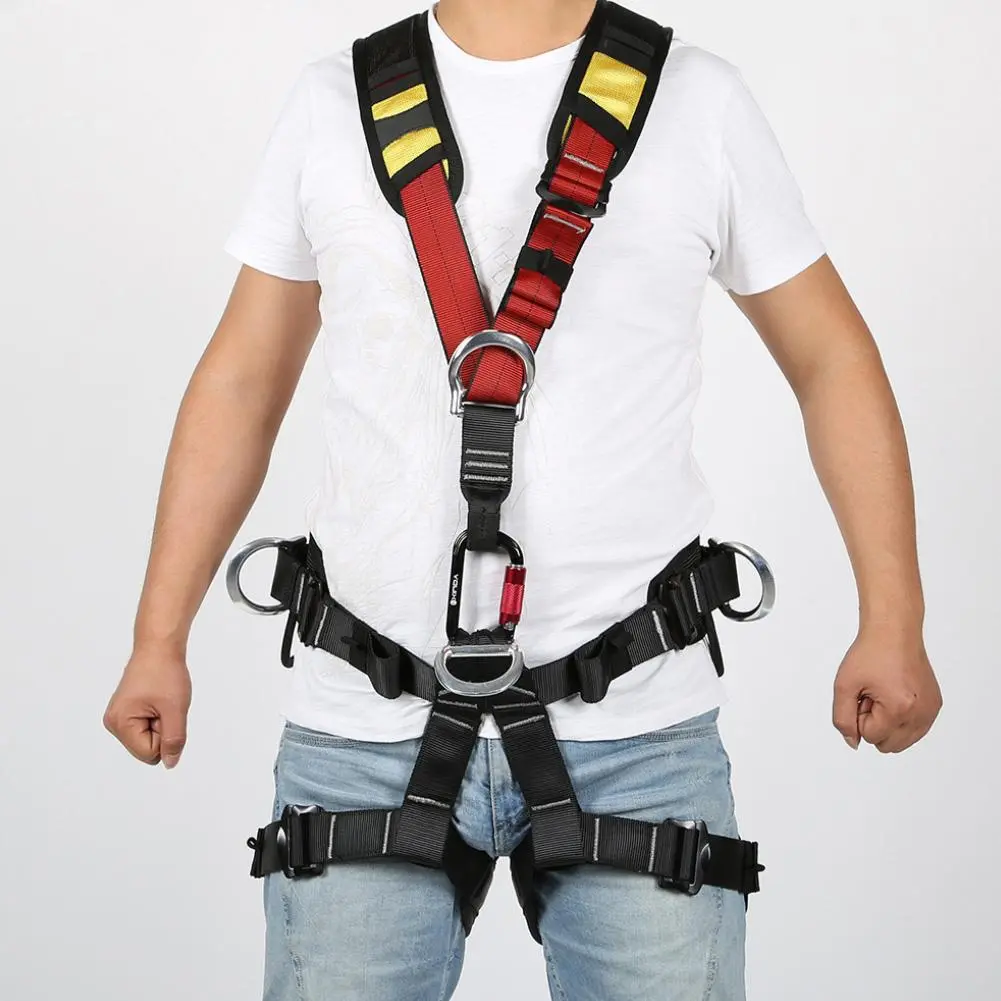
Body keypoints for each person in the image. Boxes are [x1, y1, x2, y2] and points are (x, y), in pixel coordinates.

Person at [103, 1, 943, 998]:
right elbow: (243, 380)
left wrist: (893, 619)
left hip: (635, 723)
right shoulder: (334, 103)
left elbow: (830, 358)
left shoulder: (697, 101)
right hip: (366, 718)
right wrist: (158, 636)